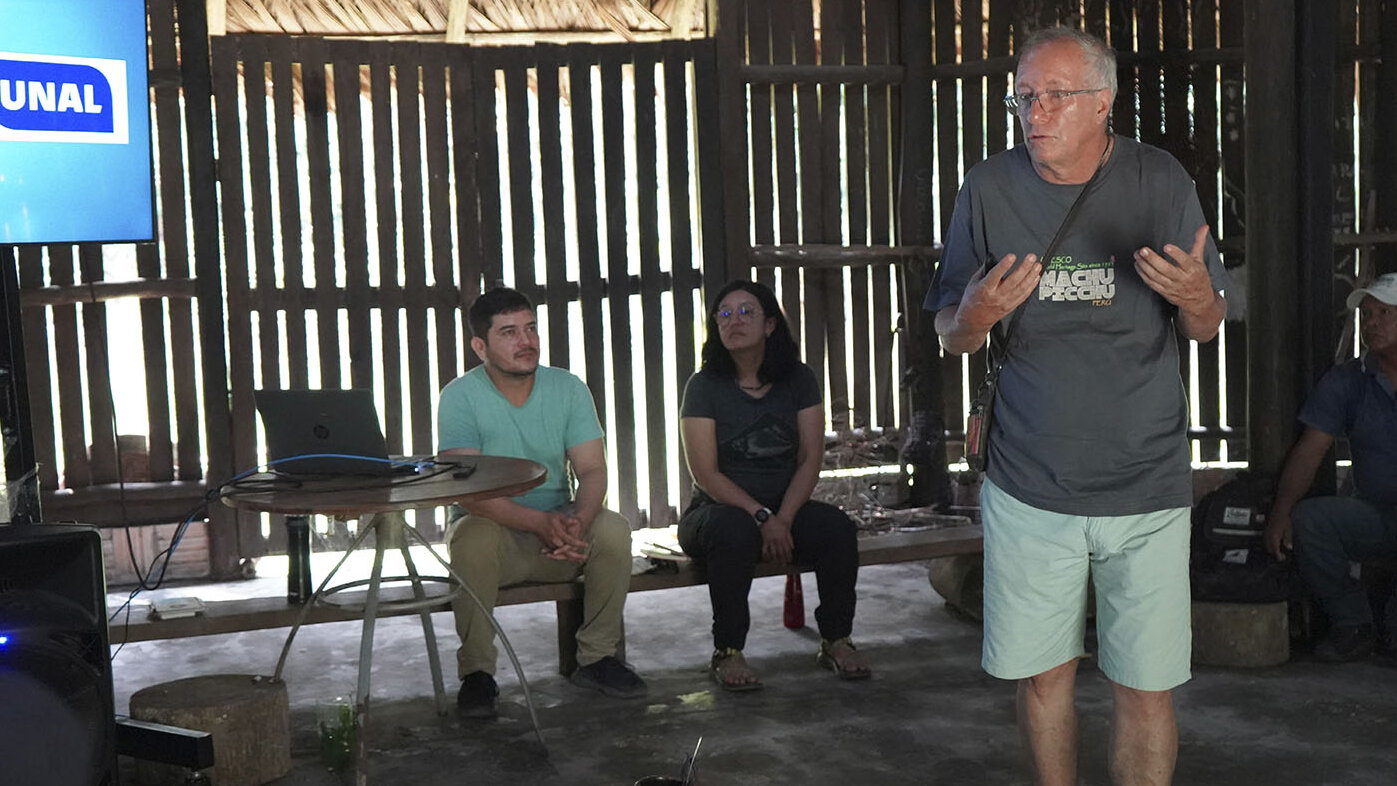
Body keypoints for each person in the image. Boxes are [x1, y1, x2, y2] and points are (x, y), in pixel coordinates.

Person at [924, 27, 1229, 786]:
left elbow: (1204, 322)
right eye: (1023, 96)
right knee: (1042, 678)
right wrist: (974, 316)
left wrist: (1199, 300)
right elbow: (951, 334)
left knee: (1145, 687)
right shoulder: (988, 187)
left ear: (1102, 103)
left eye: (1056, 95)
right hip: (1030, 481)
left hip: (1145, 481)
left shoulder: (1156, 180)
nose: (1036, 112)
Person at [439, 286, 646, 718]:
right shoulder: (460, 397)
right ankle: (477, 674)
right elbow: (468, 491)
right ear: (481, 346)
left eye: (530, 328)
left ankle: (597, 658)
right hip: (498, 537)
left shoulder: (567, 388)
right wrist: (538, 523)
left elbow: (592, 471)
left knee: (612, 528)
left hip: (559, 534)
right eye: (509, 333)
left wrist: (576, 519)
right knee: (469, 537)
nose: (526, 341)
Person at [677, 280, 870, 691]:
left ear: (769, 325)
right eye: (724, 314)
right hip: (716, 513)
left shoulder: (798, 379)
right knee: (733, 532)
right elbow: (706, 475)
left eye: (746, 312)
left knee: (836, 529)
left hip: (785, 511)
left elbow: (809, 458)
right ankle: (727, 650)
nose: (734, 321)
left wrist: (782, 517)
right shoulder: (704, 387)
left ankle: (837, 640)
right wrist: (761, 515)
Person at [1264, 272, 1397, 661]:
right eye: (1367, 315)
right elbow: (1311, 449)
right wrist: (1281, 511)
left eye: (1384, 313)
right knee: (1309, 520)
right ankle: (1353, 624)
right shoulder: (1348, 381)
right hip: (1376, 513)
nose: (1371, 323)